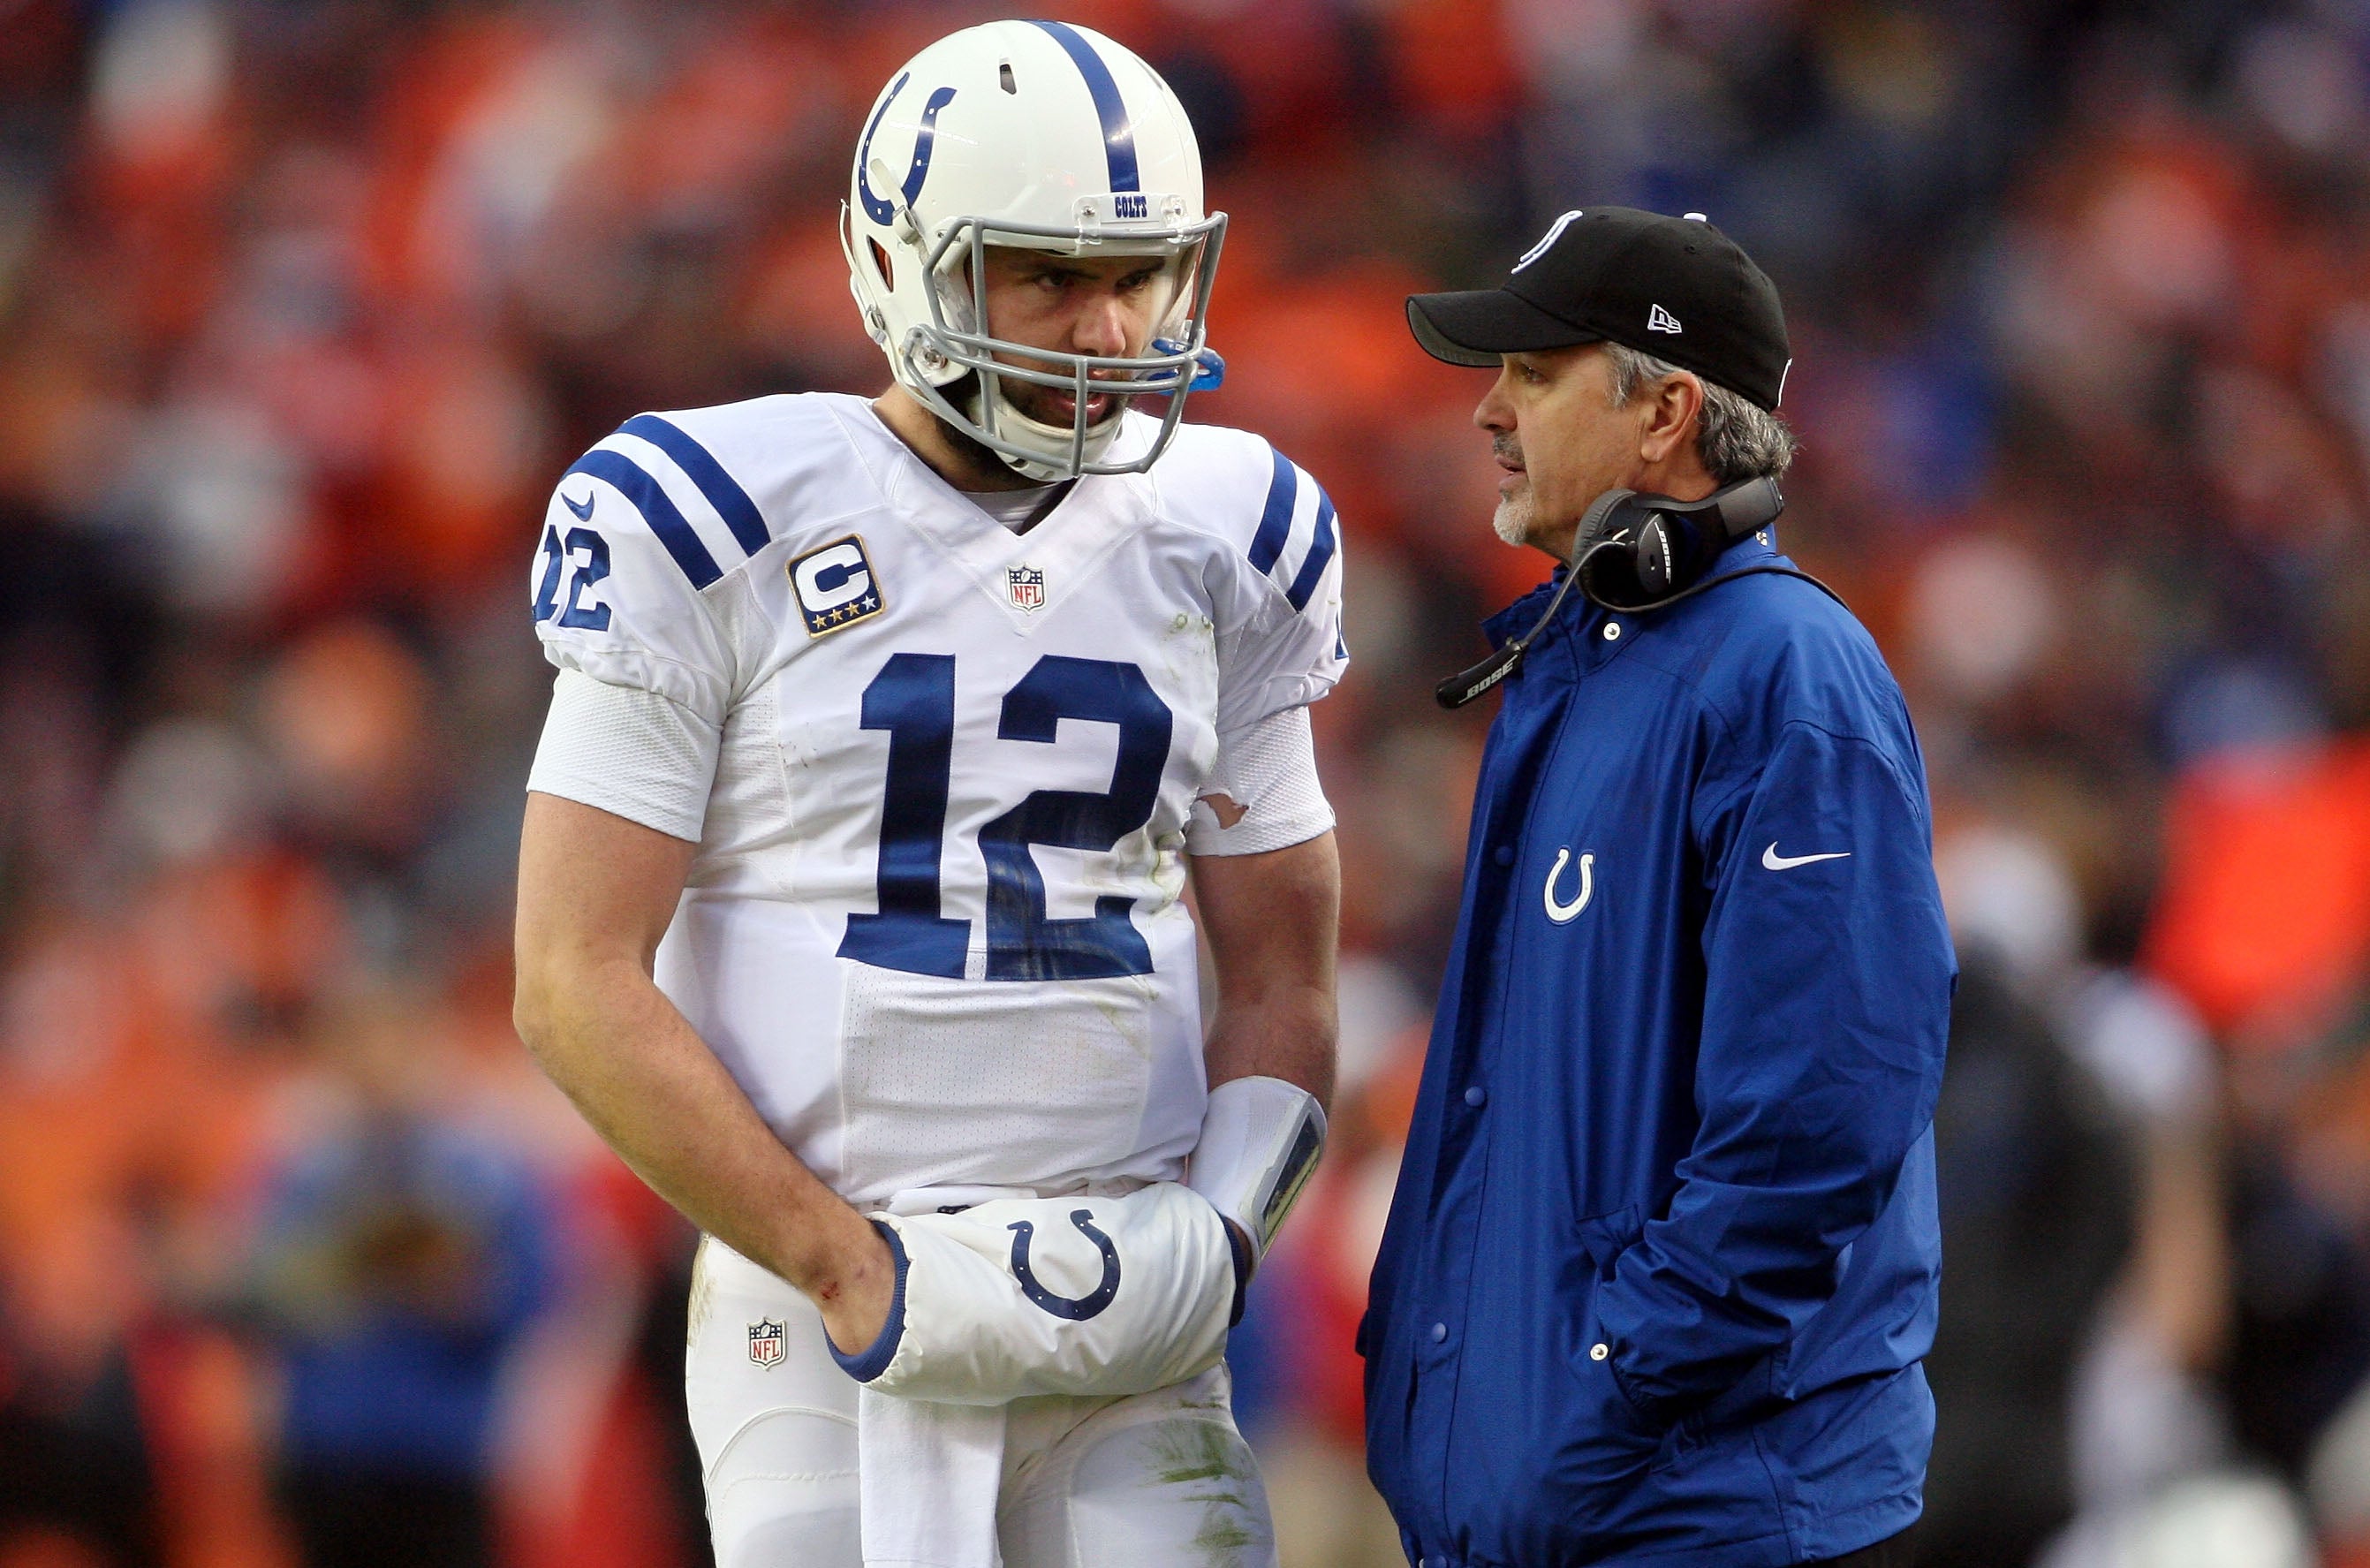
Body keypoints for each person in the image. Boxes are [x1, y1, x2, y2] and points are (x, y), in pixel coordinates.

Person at [510, 20, 1344, 1568]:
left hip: (1131, 1287)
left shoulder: (1233, 529)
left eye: (1140, 274)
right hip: (823, 1304)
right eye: (1047, 275)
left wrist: (1223, 1238)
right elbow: (570, 980)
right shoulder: (712, 515)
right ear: (902, 268)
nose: (1107, 331)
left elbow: (1286, 970)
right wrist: (837, 1263)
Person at [1362, 207, 1956, 1567]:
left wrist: (1611, 1381)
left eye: (1535, 370)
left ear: (1665, 412)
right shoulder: (1581, 662)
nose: (1488, 412)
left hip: (1698, 1515)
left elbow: (1823, 1117)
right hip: (1572, 1506)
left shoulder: (1787, 675)